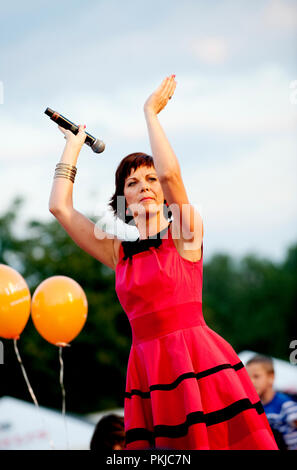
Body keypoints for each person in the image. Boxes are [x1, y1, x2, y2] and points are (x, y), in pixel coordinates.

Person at [49, 75, 278, 450]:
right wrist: (73, 146)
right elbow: (59, 207)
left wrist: (150, 114)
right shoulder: (117, 251)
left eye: (150, 179)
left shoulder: (186, 233)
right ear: (122, 198)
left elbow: (172, 175)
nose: (145, 188)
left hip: (200, 367)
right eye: (133, 183)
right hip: (148, 374)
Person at [246, 354, 297, 450]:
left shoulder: (286, 405)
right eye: (247, 377)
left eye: (256, 376)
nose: (251, 381)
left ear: (271, 378)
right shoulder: (254, 408)